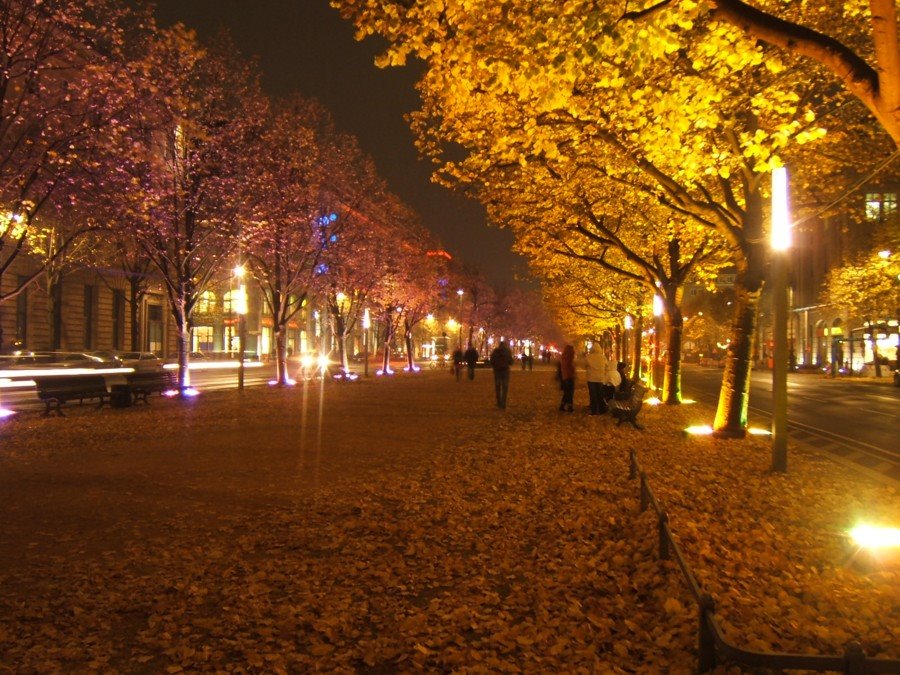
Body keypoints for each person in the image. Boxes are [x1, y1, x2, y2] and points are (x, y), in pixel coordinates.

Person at [489, 339, 514, 409]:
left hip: (497, 372)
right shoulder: (507, 351)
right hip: (505, 371)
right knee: (505, 387)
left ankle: (498, 402)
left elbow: (491, 361)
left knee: (497, 387)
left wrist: (495, 366)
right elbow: (511, 362)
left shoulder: (495, 351)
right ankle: (504, 403)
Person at [584, 344, 608, 415]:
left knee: (592, 394)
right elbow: (607, 366)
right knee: (600, 393)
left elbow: (585, 365)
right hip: (600, 378)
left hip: (591, 378)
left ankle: (593, 410)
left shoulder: (588, 357)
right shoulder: (603, 357)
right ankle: (601, 409)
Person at [558, 344, 576, 412]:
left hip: (565, 377)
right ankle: (570, 407)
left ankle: (562, 406)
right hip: (568, 378)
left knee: (567, 393)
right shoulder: (568, 359)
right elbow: (569, 369)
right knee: (569, 393)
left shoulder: (564, 358)